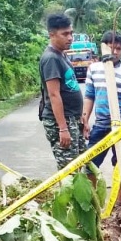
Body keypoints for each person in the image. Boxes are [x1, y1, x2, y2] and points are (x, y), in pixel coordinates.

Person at [81, 31, 121, 172]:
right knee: (90, 165)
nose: (115, 52)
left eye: (119, 49)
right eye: (111, 47)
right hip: (101, 124)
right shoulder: (94, 69)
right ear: (104, 48)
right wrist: (85, 120)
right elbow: (89, 96)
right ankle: (90, 194)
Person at [39, 13, 85, 170]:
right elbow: (54, 95)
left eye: (71, 33)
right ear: (52, 35)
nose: (70, 37)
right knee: (70, 170)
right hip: (62, 122)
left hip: (72, 118)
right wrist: (63, 128)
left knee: (83, 166)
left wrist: (81, 117)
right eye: (65, 34)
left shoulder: (62, 55)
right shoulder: (51, 58)